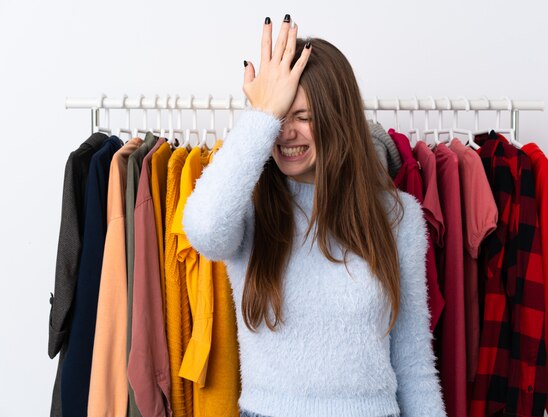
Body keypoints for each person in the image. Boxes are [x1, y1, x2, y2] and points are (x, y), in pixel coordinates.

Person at [183, 14, 446, 417]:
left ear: (338, 118)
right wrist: (262, 115)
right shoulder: (246, 210)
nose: (285, 133)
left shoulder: (399, 218)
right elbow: (202, 228)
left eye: (303, 116)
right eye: (278, 117)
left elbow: (413, 364)